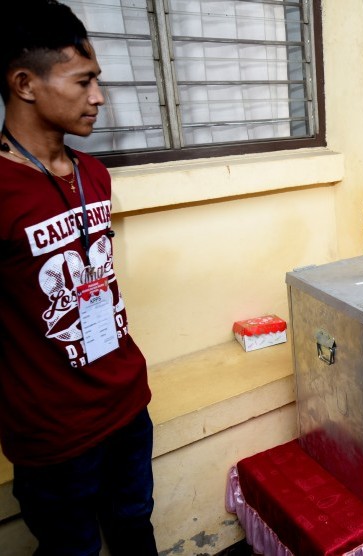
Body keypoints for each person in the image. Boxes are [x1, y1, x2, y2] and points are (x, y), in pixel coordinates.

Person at [0, 1, 158, 554]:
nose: (98, 97)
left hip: (127, 405)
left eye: (99, 81)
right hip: (54, 437)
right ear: (24, 83)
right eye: (84, 81)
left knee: (135, 531)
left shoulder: (94, 173)